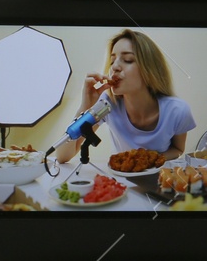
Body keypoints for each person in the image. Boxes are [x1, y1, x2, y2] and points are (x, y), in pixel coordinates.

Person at [55, 29, 195, 162]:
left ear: (150, 69)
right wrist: (85, 107)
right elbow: (63, 156)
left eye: (127, 60)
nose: (114, 67)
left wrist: (148, 161)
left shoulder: (178, 110)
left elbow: (177, 149)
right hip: (121, 183)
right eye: (112, 61)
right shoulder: (107, 104)